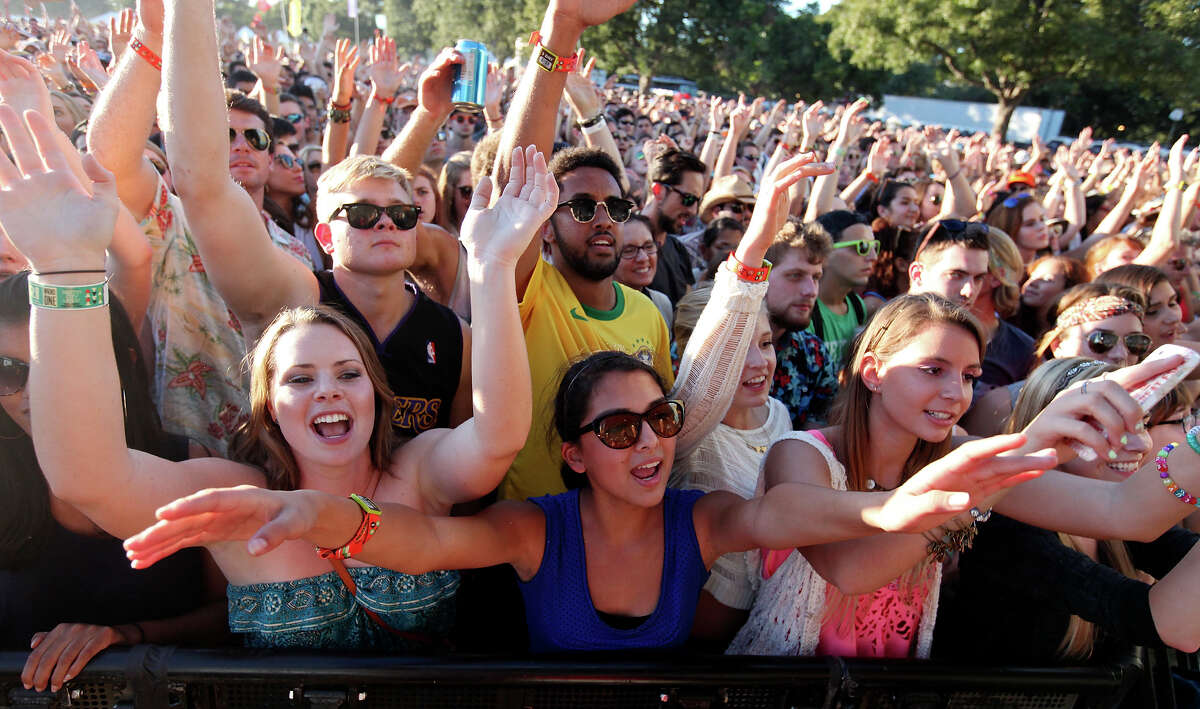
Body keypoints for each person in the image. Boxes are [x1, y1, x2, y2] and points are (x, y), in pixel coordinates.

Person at [0, 96, 555, 651]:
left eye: (348, 373)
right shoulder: (237, 497)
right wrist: (62, 270)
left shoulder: (420, 471)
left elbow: (499, 436)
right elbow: (88, 479)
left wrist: (492, 266)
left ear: (377, 394)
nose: (327, 391)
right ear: (266, 405)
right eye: (299, 379)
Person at [727, 295, 1200, 658]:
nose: (955, 393)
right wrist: (1012, 462)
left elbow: (1126, 513)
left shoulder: (964, 454)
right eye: (933, 370)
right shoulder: (802, 452)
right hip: (780, 687)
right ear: (872, 372)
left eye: (970, 375)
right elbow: (851, 571)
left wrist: (1195, 445)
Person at [159, 0, 470, 438]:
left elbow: (469, 459)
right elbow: (202, 185)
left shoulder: (455, 336)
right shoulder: (296, 300)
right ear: (323, 235)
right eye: (362, 215)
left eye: (401, 215)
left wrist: (430, 112)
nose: (385, 224)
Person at [0, 273, 227, 693]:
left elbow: (236, 615)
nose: (36, 392)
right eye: (7, 370)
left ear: (123, 361)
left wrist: (126, 637)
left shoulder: (192, 467)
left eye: (56, 366)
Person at [938, 357, 1200, 665]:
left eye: (1141, 423)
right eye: (1108, 426)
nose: (1137, 443)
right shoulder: (1006, 527)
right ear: (1055, 431)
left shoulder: (1120, 525)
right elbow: (1158, 622)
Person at [963, 283, 1149, 436]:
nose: (1120, 354)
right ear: (1058, 345)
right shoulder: (1002, 404)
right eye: (1102, 340)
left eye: (1135, 342)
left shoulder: (1152, 404)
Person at [764, 220, 839, 429]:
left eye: (816, 277)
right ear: (761, 274)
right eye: (795, 276)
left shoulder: (813, 352)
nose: (811, 290)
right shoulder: (716, 344)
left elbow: (817, 437)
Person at [806, 210, 875, 368]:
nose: (873, 257)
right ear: (826, 253)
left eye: (874, 246)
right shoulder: (804, 309)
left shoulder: (856, 305)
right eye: (862, 247)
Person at [643, 148, 705, 304]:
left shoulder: (678, 250)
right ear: (658, 190)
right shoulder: (622, 245)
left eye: (698, 201)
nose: (693, 210)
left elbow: (686, 314)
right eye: (688, 199)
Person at [906, 219, 991, 308]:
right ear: (918, 274)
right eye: (955, 275)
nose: (969, 291)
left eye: (978, 278)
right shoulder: (891, 321)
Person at [612, 214, 673, 326]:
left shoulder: (661, 304)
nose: (643, 258)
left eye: (649, 246)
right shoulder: (597, 310)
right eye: (629, 250)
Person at [1016, 254, 1088, 338]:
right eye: (1031, 276)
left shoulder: (1073, 332)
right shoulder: (1010, 320)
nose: (1032, 283)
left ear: (1068, 289)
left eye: (1047, 279)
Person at [985, 191, 1048, 264]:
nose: (1041, 227)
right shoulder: (997, 272)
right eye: (1030, 224)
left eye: (1042, 219)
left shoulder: (1047, 264)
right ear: (1010, 231)